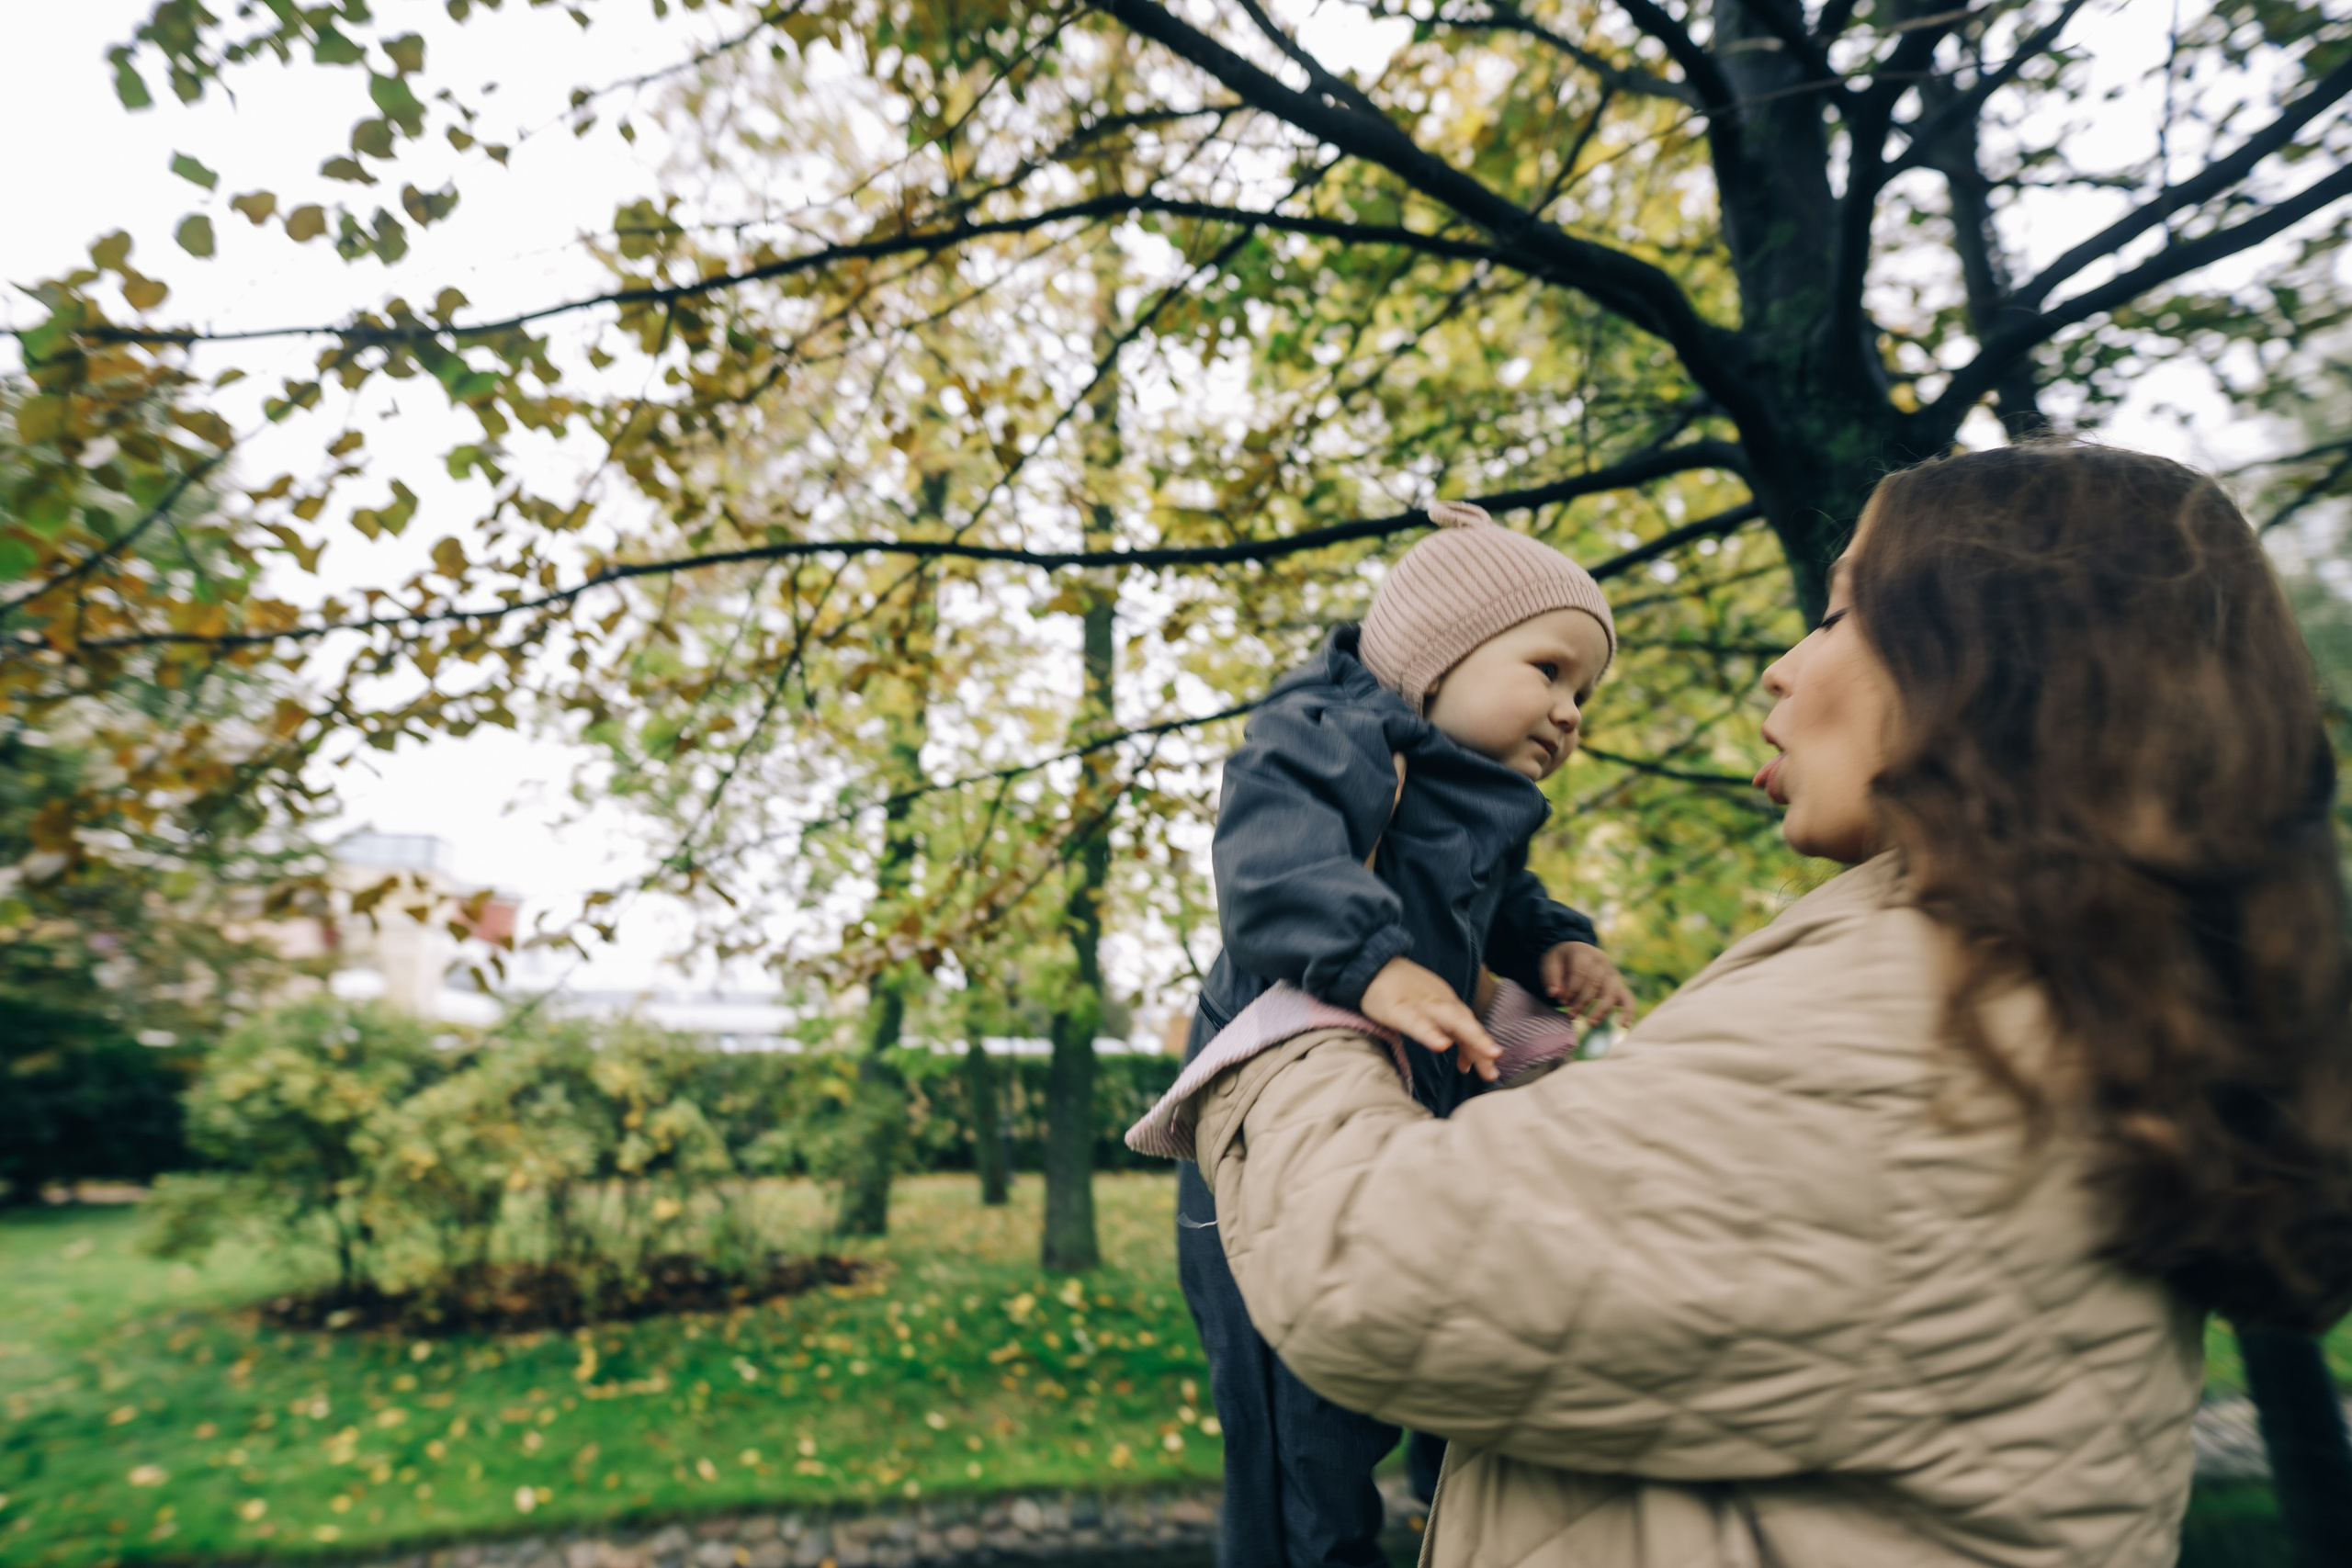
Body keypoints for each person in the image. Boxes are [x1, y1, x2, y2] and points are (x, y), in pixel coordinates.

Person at [1180, 445, 2352, 1566]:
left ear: (1994, 662)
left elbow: (1372, 1268)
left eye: (1838, 614)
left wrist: (1288, 1000)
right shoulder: (2039, 990)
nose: (1781, 666)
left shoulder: (1923, 1028)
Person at [1176, 500, 1635, 1568]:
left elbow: (1501, 897)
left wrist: (1554, 946)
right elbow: (1271, 872)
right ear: (1438, 655)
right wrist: (1374, 965)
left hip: (1401, 1112)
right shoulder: (1322, 737)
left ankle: (1451, 1512)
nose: (1570, 713)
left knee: (1449, 1350)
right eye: (1550, 669)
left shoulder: (1475, 800)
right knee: (1300, 1437)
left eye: (1586, 695)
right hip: (1263, 1147)